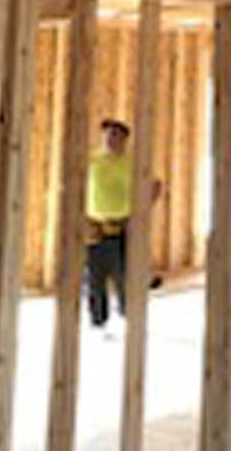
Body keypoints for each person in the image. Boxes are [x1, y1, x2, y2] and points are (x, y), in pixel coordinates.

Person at [84, 118, 162, 329]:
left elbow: (155, 186)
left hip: (124, 226)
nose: (111, 140)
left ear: (125, 140)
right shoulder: (91, 162)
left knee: (126, 276)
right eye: (108, 135)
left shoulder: (132, 165)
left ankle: (130, 318)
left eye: (116, 136)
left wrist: (140, 213)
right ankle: (98, 322)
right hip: (95, 227)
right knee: (94, 277)